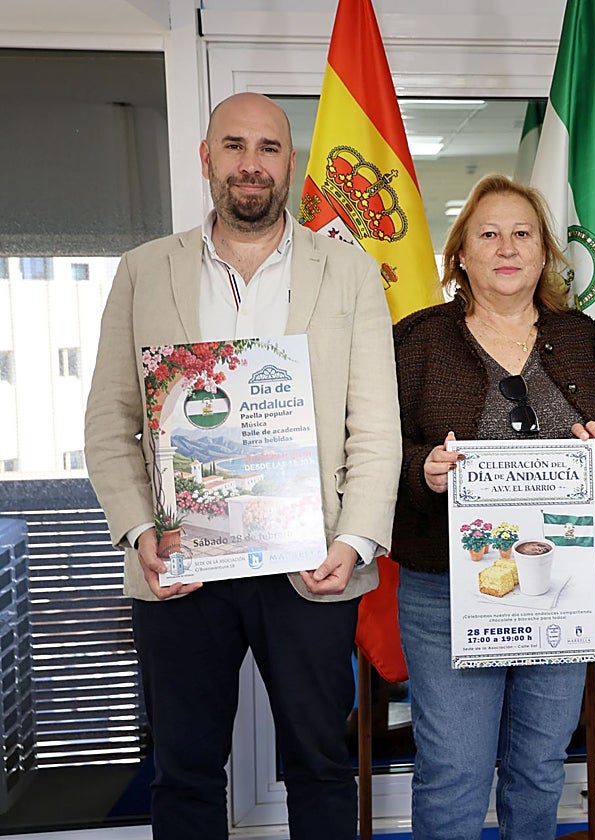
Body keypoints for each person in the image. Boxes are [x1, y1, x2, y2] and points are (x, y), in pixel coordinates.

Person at [83, 92, 401, 840]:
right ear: (206, 159)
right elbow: (108, 424)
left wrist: (352, 542)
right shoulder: (142, 271)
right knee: (185, 772)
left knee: (322, 767)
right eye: (234, 146)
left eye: (267, 148)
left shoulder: (350, 274)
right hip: (180, 564)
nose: (250, 165)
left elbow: (377, 429)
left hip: (313, 561)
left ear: (290, 165)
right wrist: (139, 534)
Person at [390, 174, 595, 840]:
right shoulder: (419, 340)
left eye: (522, 233)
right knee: (454, 770)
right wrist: (421, 470)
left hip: (558, 590)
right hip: (446, 591)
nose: (506, 247)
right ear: (461, 253)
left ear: (546, 253)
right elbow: (379, 448)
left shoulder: (584, 339)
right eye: (488, 234)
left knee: (541, 767)